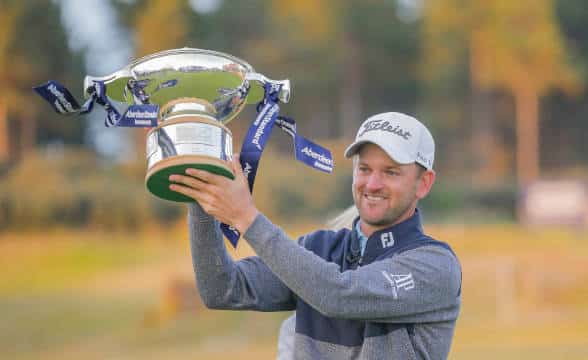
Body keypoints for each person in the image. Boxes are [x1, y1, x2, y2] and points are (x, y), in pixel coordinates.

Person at [169, 112, 462, 359]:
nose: (372, 183)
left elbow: (339, 295)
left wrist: (246, 217)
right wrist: (201, 193)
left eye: (391, 172)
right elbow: (223, 288)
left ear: (424, 183)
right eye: (364, 169)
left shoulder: (435, 265)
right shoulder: (318, 249)